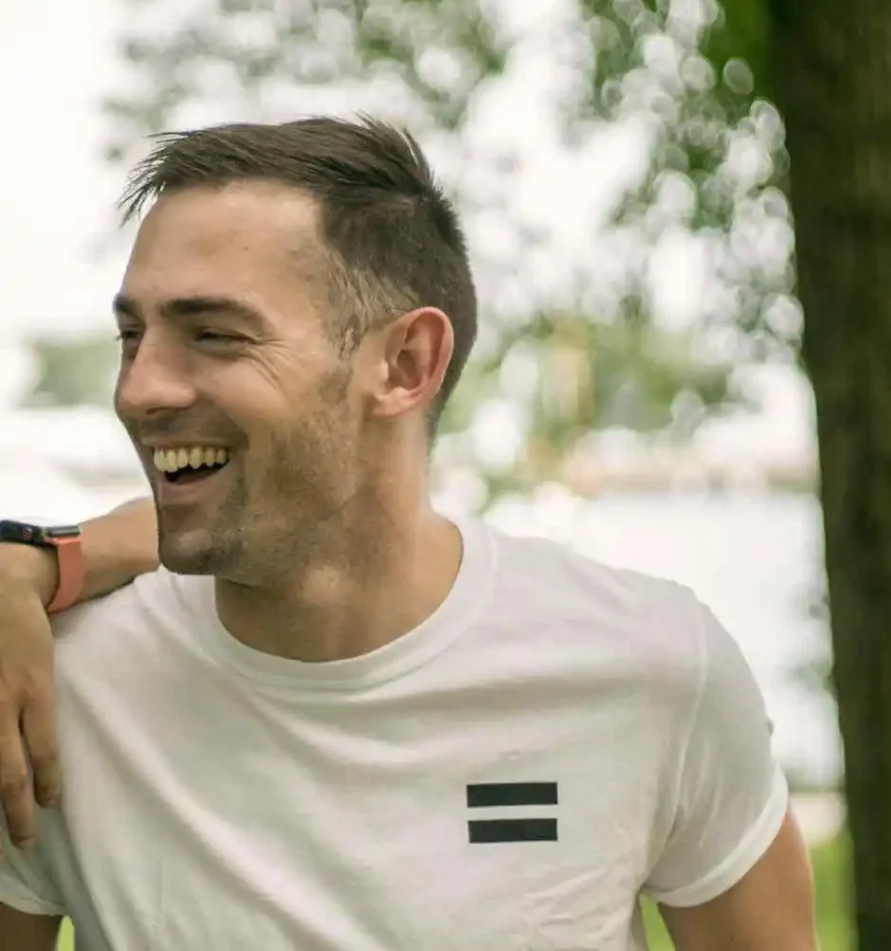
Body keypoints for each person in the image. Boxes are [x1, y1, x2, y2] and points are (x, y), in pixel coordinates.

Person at [0, 116, 817, 950]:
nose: (140, 391)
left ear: (406, 364)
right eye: (132, 336)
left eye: (215, 335)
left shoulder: (654, 670)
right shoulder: (46, 693)